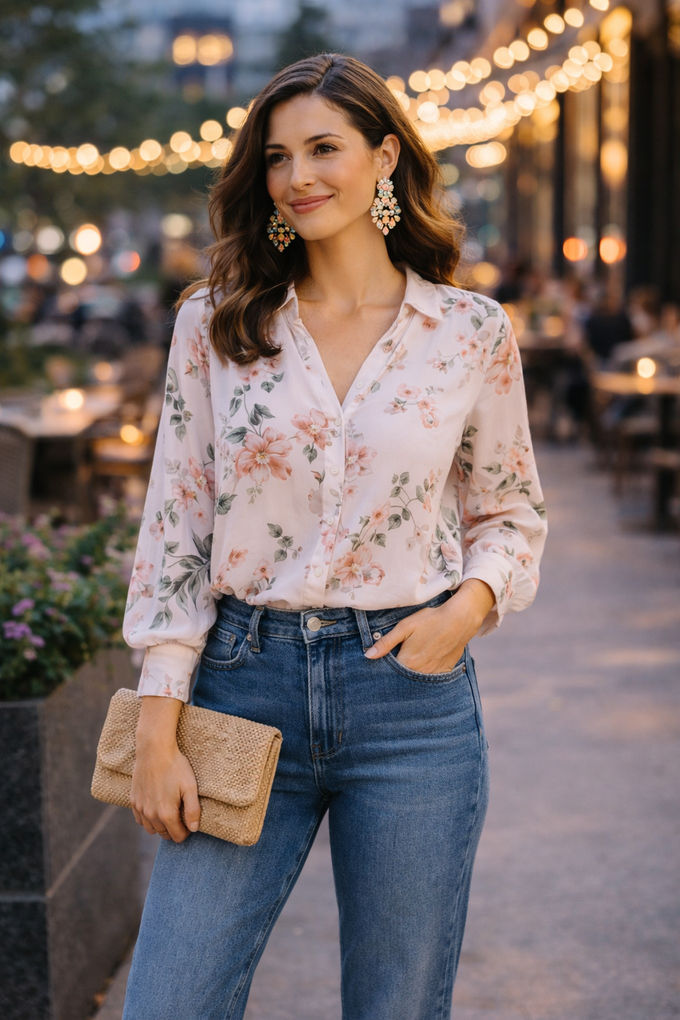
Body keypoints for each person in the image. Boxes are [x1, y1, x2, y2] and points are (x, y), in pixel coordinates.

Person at [120, 53, 548, 1020]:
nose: (299, 176)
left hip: (411, 698)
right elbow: (176, 524)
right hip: (241, 680)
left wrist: (467, 610)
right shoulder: (219, 324)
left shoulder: (469, 331)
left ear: (385, 156)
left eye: (325, 148)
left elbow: (510, 512)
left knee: (396, 1007)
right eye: (278, 157)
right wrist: (156, 720)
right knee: (169, 1002)